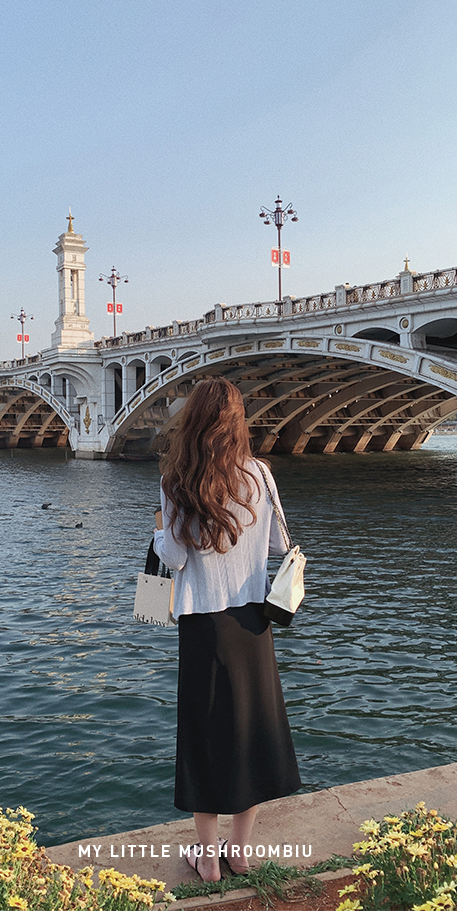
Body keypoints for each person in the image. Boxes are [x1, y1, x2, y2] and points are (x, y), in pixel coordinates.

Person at [153, 376, 301, 882]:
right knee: (250, 734)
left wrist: (159, 531)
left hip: (203, 626)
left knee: (204, 738)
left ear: (192, 420)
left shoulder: (178, 481)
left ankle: (207, 857)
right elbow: (280, 545)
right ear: (239, 423)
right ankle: (238, 852)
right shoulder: (260, 475)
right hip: (254, 622)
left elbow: (173, 559)